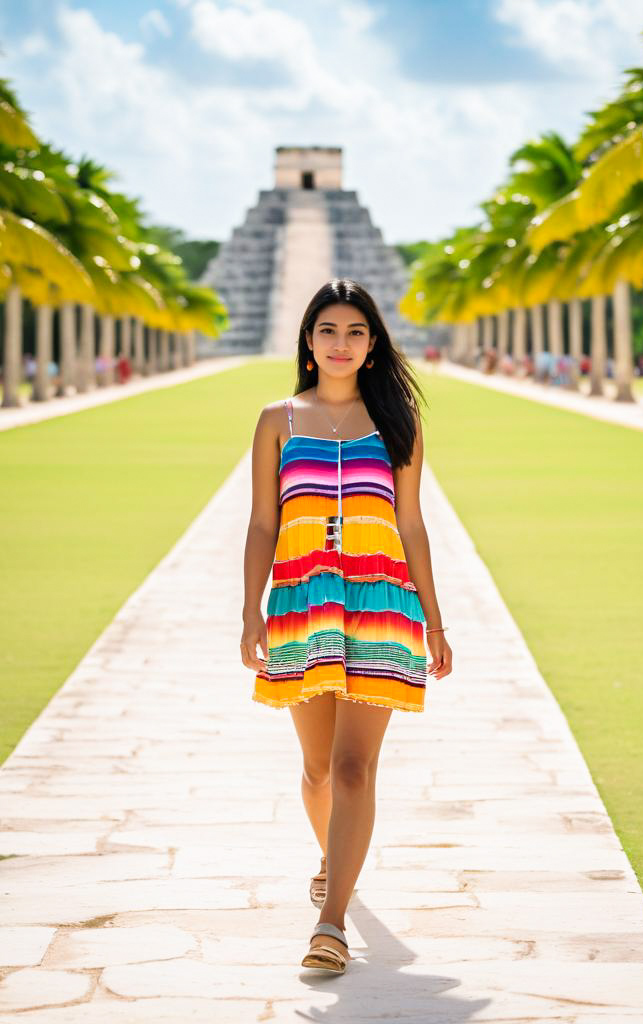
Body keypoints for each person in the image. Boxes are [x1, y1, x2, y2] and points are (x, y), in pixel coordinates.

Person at [241, 278, 452, 975]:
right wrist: (251, 612)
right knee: (317, 768)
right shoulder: (279, 420)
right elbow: (263, 523)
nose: (341, 343)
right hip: (302, 607)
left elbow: (412, 523)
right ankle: (334, 862)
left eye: (355, 332)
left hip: (383, 606)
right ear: (308, 340)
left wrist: (438, 620)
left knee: (354, 767)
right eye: (328, 330)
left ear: (372, 344)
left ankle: (330, 923)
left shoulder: (398, 419)